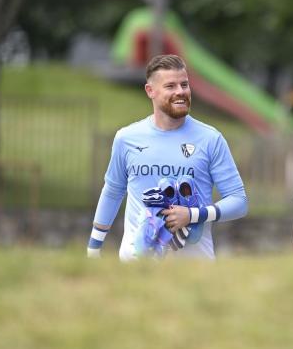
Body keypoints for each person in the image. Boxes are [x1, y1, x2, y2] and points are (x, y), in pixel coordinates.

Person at [87, 54, 248, 260]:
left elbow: (239, 202)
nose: (180, 92)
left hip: (194, 270)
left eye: (184, 84)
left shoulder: (210, 138)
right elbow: (112, 192)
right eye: (171, 86)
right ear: (150, 91)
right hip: (136, 266)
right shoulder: (126, 138)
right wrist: (93, 248)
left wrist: (193, 215)